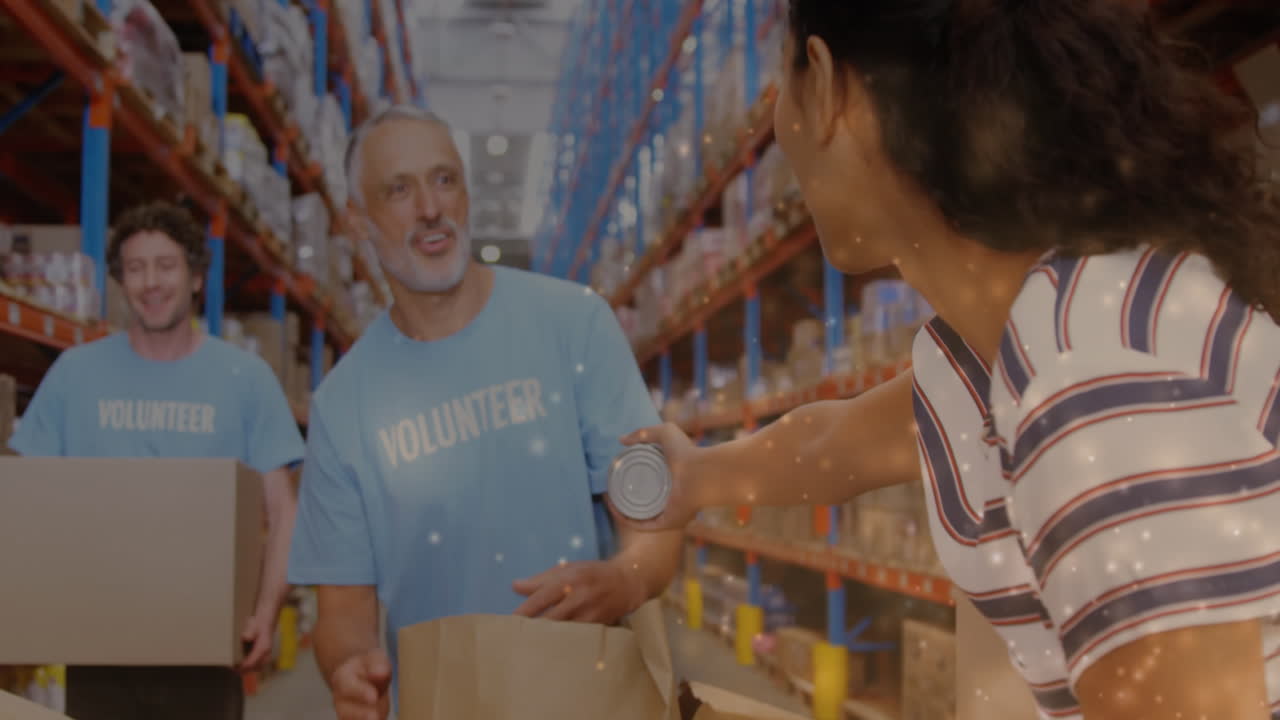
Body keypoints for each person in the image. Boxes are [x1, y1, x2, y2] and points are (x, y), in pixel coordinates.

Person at [618, 2, 1280, 719]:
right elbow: (836, 442)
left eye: (781, 85)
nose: (776, 130)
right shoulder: (1001, 338)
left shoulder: (1094, 375)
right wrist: (694, 477)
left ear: (829, 87)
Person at [286, 105, 685, 720]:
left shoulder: (573, 326)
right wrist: (350, 669)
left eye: (444, 179)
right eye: (399, 189)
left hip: (585, 694)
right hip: (442, 701)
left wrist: (628, 579)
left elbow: (653, 520)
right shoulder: (342, 408)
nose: (429, 208)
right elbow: (343, 614)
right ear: (357, 222)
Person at [9, 200, 306, 719]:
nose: (151, 282)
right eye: (136, 268)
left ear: (195, 277)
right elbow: (25, 500)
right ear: (121, 280)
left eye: (165, 266)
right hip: (97, 648)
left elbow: (284, 511)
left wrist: (265, 609)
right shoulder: (75, 375)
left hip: (206, 652)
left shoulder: (245, 380)